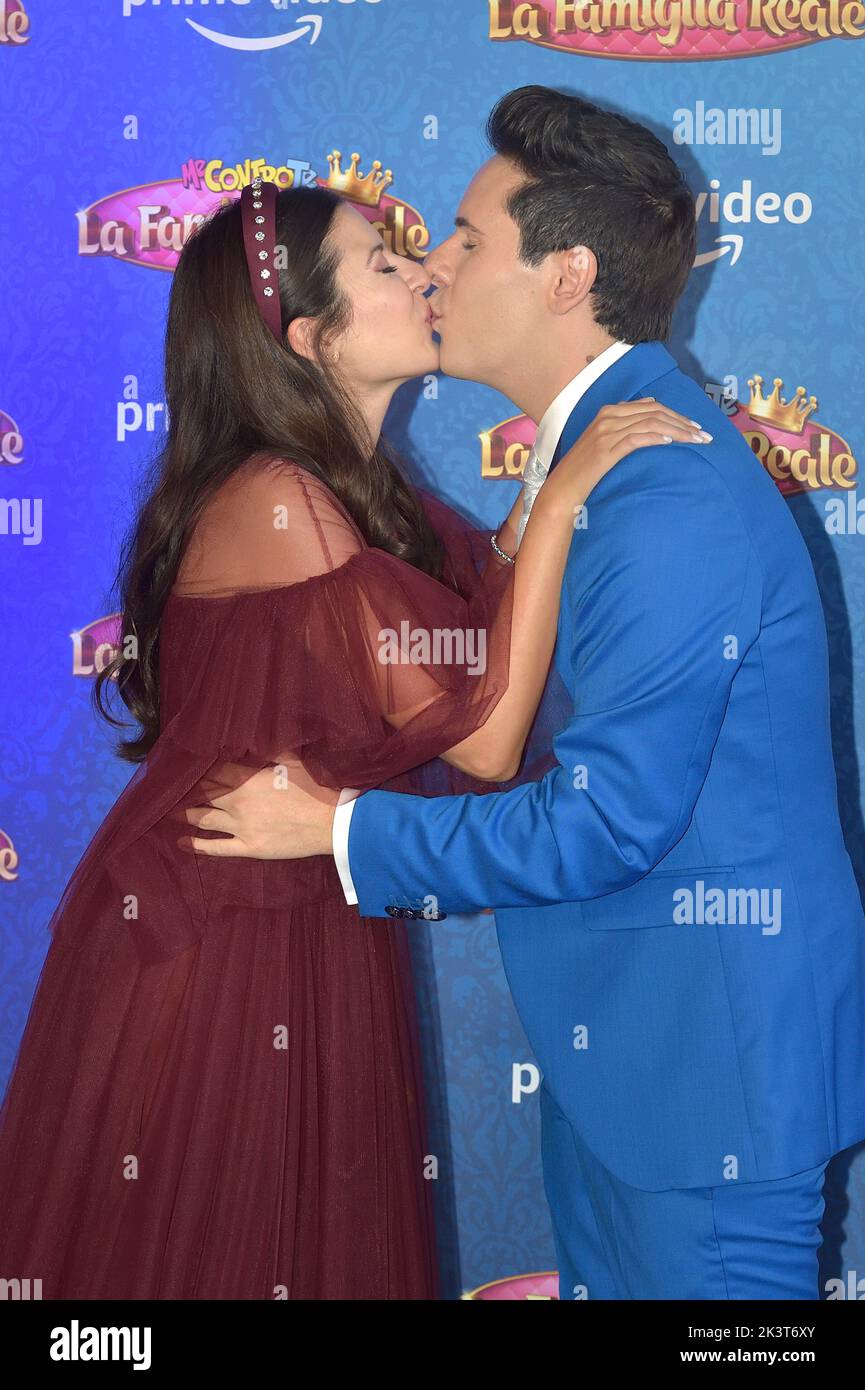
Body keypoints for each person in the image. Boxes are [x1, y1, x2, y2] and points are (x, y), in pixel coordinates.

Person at [183, 87, 865, 1301]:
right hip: (633, 1069)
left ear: (567, 276)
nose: (435, 267)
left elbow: (606, 817)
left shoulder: (662, 494)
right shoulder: (582, 463)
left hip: (703, 1089)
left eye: (465, 239)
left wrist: (334, 828)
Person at [0, 164, 700, 1299]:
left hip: (290, 905)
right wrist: (564, 492)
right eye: (385, 264)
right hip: (211, 941)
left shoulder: (360, 491)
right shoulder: (282, 502)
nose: (425, 273)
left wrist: (547, 487)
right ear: (310, 335)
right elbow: (479, 737)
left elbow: (479, 623)